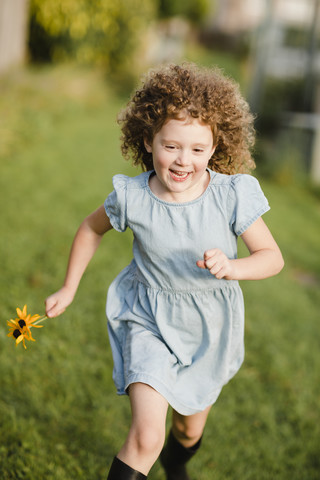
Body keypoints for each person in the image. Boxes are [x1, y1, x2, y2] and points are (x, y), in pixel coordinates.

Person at [45, 63, 284, 480]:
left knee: (187, 430)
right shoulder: (133, 196)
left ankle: (177, 467)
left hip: (209, 326)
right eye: (171, 146)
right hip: (148, 318)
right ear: (148, 139)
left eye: (196, 149)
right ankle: (158, 453)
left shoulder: (231, 196)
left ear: (214, 148)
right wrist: (69, 287)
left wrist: (233, 266)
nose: (182, 160)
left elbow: (271, 256)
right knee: (146, 436)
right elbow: (90, 227)